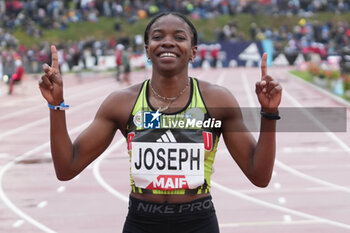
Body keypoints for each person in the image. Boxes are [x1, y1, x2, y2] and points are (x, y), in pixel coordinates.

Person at [39, 12, 282, 233]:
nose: (167, 42)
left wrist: (269, 113)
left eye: (179, 37)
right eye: (158, 36)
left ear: (193, 51)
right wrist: (56, 105)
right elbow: (67, 168)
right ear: (147, 50)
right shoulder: (121, 103)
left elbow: (259, 176)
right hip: (141, 223)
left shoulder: (217, 100)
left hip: (198, 223)